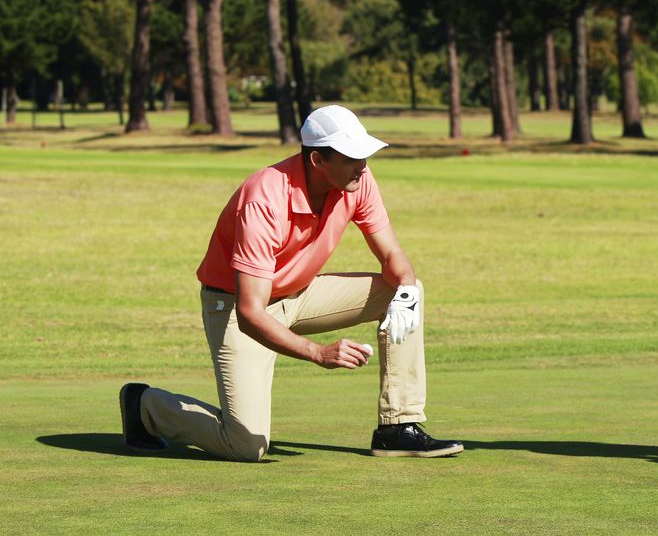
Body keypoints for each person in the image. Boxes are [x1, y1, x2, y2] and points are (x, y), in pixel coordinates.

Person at [119, 105, 463, 461]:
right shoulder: (263, 199)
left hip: (300, 295)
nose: (362, 165)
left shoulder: (358, 180)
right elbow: (251, 311)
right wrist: (318, 353)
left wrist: (405, 286)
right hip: (238, 309)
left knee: (405, 292)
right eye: (351, 157)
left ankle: (397, 428)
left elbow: (393, 258)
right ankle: (145, 405)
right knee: (246, 446)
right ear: (317, 160)